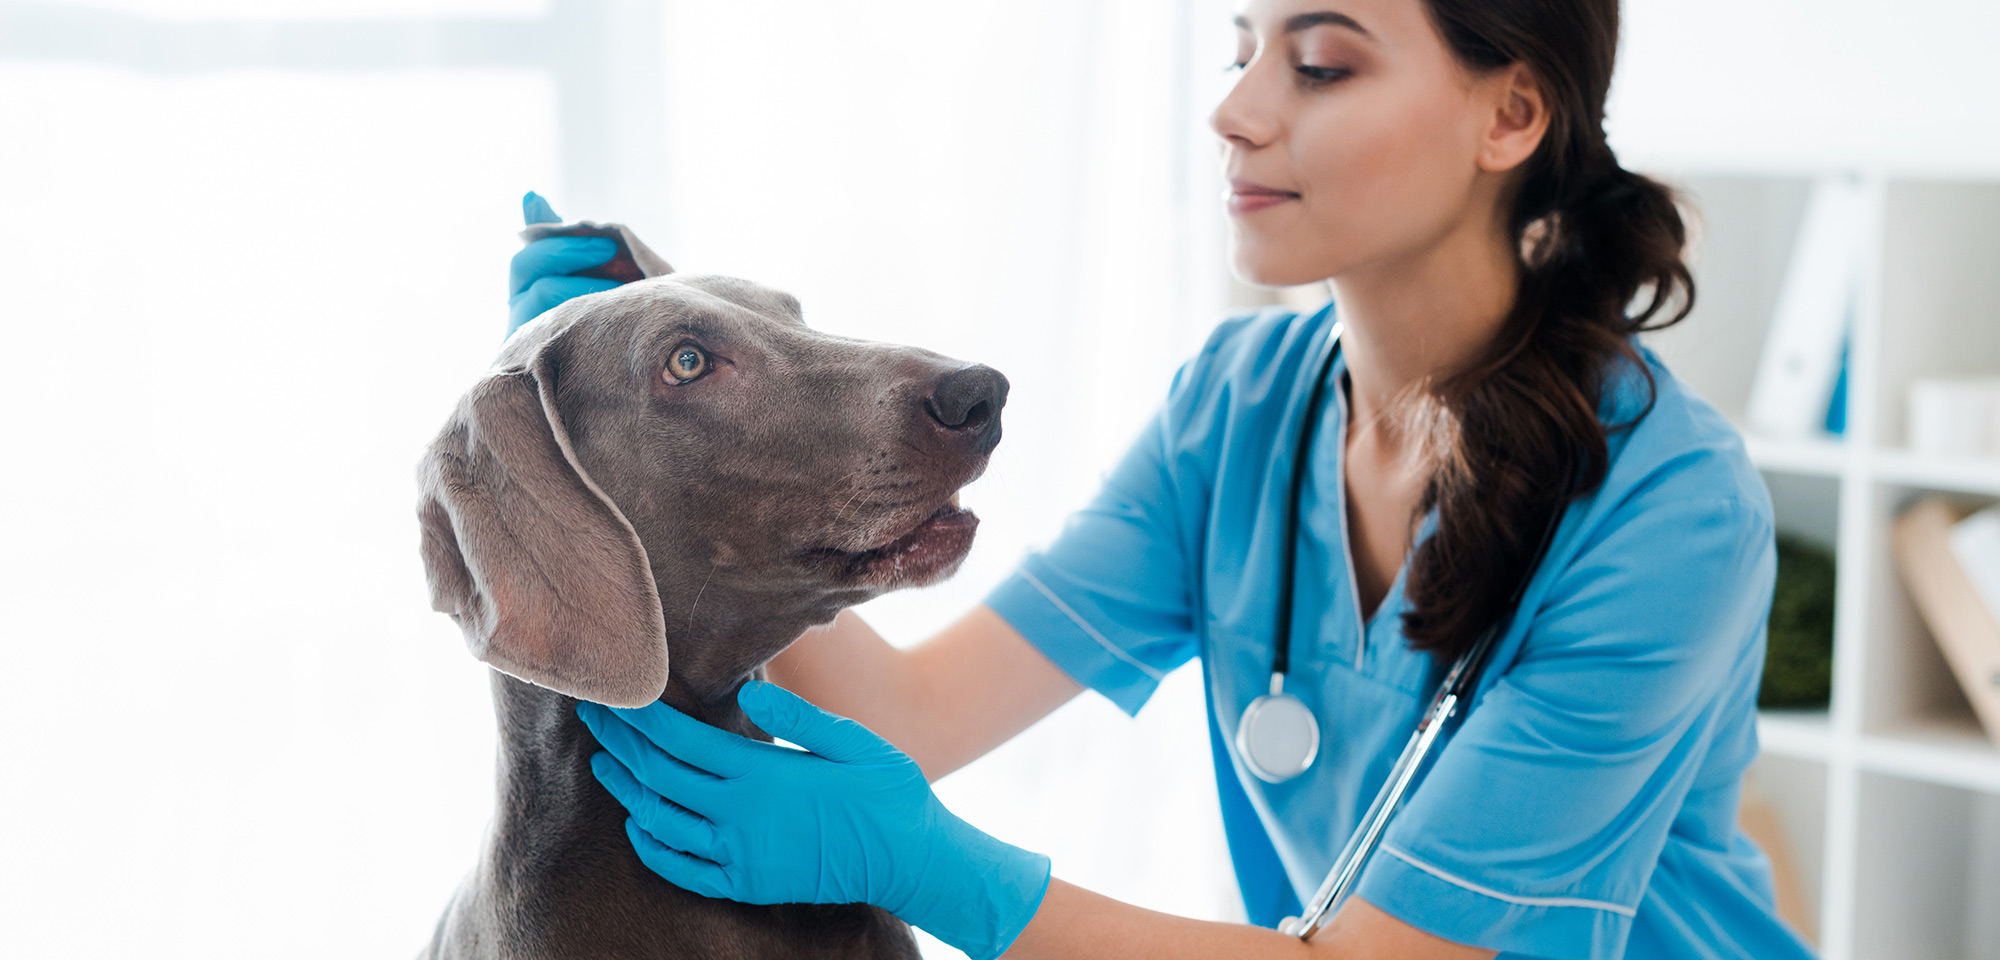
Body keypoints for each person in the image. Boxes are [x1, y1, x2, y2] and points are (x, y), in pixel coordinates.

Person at [515, 1, 1820, 957]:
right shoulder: (1241, 411)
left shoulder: (1667, 511)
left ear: (1511, 113)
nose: (1237, 109)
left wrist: (935, 871)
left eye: (1318, 62)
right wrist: (647, 441)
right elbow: (915, 711)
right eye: (1241, 49)